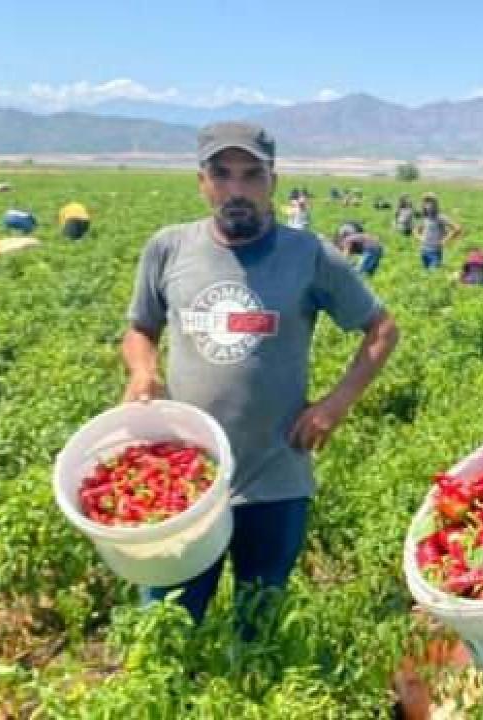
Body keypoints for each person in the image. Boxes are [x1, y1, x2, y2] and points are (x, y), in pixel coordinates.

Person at [121, 121, 399, 630]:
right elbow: (140, 328)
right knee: (165, 625)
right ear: (202, 181)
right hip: (184, 482)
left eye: (252, 175)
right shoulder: (169, 248)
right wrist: (143, 370)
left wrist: (334, 406)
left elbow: (381, 329)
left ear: (272, 180)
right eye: (222, 175)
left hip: (275, 478)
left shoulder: (309, 254)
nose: (237, 190)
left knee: (260, 626)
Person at [416, 193, 462, 269]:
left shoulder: (440, 217)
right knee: (426, 274)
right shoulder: (425, 217)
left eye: (431, 202)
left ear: (435, 204)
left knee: (433, 275)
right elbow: (416, 230)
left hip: (435, 252)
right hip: (424, 251)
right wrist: (420, 238)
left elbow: (457, 228)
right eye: (426, 202)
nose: (429, 205)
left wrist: (445, 240)